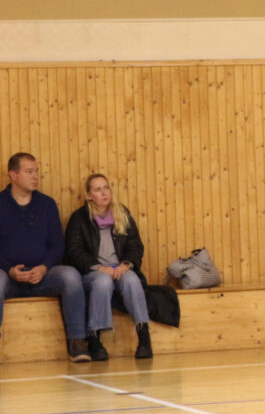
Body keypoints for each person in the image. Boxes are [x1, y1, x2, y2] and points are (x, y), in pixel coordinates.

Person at [0, 153, 90, 362]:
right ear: (13, 175)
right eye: (29, 172)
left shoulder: (47, 204)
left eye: (37, 171)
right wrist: (9, 269)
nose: (35, 176)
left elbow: (57, 244)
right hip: (8, 276)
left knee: (70, 276)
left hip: (42, 276)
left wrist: (44, 267)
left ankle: (77, 341)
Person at [64, 174, 153, 359]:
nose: (104, 193)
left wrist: (126, 264)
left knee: (132, 280)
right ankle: (95, 338)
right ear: (89, 195)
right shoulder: (80, 218)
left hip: (119, 268)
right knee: (102, 282)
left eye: (106, 188)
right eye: (98, 189)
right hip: (93, 271)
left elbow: (135, 245)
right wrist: (98, 267)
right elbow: (74, 250)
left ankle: (144, 336)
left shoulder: (121, 213)